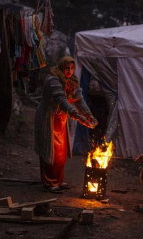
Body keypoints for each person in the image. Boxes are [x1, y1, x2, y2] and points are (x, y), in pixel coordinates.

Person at [34, 56, 98, 193]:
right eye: (67, 68)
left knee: (61, 152)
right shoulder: (53, 79)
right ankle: (49, 182)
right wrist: (78, 117)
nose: (69, 71)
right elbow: (62, 101)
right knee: (51, 151)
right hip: (49, 118)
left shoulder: (72, 81)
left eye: (72, 68)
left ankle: (57, 180)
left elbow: (79, 100)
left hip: (61, 119)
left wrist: (89, 115)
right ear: (61, 67)